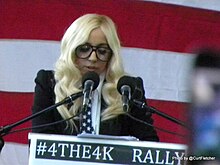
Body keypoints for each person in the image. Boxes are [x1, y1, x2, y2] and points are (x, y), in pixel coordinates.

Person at [32, 13, 159, 142]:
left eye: (102, 51)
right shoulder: (49, 83)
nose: (93, 58)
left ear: (112, 55)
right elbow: (40, 143)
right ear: (71, 50)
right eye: (84, 49)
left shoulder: (127, 89)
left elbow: (149, 143)